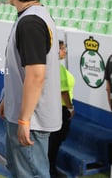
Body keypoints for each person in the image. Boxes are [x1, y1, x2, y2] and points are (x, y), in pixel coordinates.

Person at [0, 0, 61, 178]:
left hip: (31, 120)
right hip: (28, 114)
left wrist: (24, 119)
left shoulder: (30, 22)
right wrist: (8, 98)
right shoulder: (34, 16)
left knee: (31, 173)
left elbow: (35, 75)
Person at [48, 40, 75, 177]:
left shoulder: (52, 66)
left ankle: (49, 167)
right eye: (63, 48)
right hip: (61, 109)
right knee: (55, 140)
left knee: (53, 140)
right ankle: (50, 169)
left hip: (53, 108)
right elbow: (63, 92)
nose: (65, 51)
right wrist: (70, 108)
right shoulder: (58, 69)